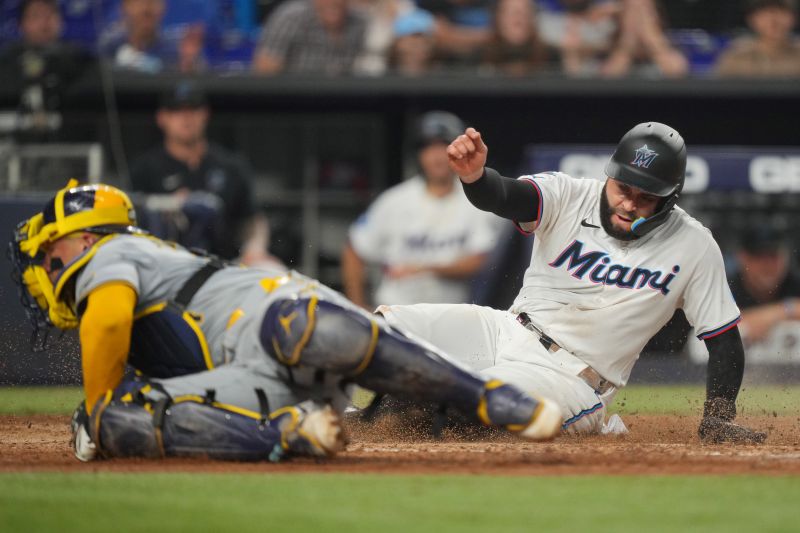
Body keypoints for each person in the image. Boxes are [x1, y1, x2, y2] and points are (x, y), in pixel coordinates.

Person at [8, 180, 562, 462]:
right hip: (256, 383)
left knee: (304, 328)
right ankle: (291, 434)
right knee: (111, 420)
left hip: (266, 321)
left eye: (48, 254)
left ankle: (485, 397)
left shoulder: (109, 255)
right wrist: (107, 418)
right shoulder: (124, 260)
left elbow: (105, 324)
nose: (44, 272)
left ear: (82, 237)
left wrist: (101, 405)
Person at [376, 121, 767, 443]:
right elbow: (508, 196)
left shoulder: (693, 245)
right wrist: (476, 177)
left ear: (669, 197)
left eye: (644, 197)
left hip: (569, 375)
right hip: (504, 329)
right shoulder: (570, 194)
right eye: (623, 188)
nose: (628, 203)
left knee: (480, 403)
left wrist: (719, 416)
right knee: (381, 329)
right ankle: (366, 412)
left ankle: (404, 409)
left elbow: (723, 338)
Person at [341, 111, 500, 309]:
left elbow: (481, 260)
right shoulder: (395, 200)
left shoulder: (475, 199)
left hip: (452, 316)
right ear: (419, 154)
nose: (436, 156)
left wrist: (425, 269)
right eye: (428, 148)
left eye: (444, 146)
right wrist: (358, 306)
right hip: (396, 314)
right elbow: (354, 249)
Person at [128, 81, 268, 262]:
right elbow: (132, 227)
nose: (186, 118)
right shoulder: (144, 169)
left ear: (205, 114)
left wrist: (255, 249)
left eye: (193, 110)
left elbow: (252, 220)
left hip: (226, 265)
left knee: (273, 273)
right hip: (164, 265)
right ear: (162, 118)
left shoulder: (231, 166)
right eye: (177, 111)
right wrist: (171, 206)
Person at [0, 0, 92, 137]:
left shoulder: (79, 60)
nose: (44, 23)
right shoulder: (7, 62)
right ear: (21, 24)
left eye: (50, 15)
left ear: (60, 21)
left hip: (70, 139)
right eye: (36, 16)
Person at [252, 0, 368, 75]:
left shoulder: (361, 22)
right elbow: (264, 73)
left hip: (344, 103)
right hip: (295, 102)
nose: (333, 2)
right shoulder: (290, 19)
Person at [729, 225, 800, 344]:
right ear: (742, 257)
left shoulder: (794, 282)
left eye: (773, 255)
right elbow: (720, 326)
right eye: (758, 256)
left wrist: (780, 312)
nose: (767, 264)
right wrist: (787, 311)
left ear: (785, 256)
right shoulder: (727, 287)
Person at [98, 0, 206, 73]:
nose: (147, 9)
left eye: (153, 1)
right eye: (139, 2)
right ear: (124, 7)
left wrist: (189, 65)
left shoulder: (177, 53)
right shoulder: (108, 50)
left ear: (163, 7)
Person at [599, 0, 689, 78]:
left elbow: (677, 73)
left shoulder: (670, 47)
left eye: (645, 12)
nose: (639, 19)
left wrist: (651, 39)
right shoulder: (604, 47)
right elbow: (606, 79)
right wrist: (628, 40)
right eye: (631, 12)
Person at [714, 0, 800, 78]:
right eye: (764, 12)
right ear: (751, 19)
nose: (773, 20)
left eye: (781, 11)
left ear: (794, 17)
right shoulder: (735, 57)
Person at [480, 0, 552, 77]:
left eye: (524, 12)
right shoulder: (479, 57)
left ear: (533, 18)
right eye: (511, 12)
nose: (517, 18)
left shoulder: (552, 57)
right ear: (498, 18)